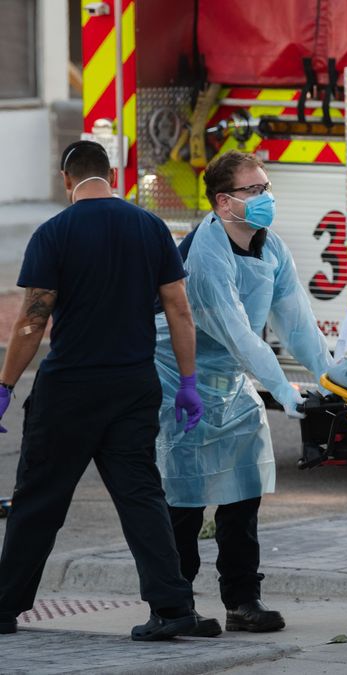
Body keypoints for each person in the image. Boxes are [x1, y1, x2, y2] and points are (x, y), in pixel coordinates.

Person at [0, 140, 204, 640]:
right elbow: (178, 307)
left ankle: (4, 607)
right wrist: (189, 381)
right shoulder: (150, 227)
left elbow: (32, 321)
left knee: (39, 499)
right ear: (111, 174)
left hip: (69, 387)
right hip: (134, 384)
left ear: (66, 180)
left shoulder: (54, 233)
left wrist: (4, 385)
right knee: (141, 496)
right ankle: (173, 608)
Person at [153, 151, 333, 636]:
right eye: (254, 190)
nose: (265, 197)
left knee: (244, 492)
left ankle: (242, 601)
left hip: (230, 379)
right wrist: (281, 388)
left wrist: (334, 378)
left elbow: (297, 323)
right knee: (185, 500)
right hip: (181, 378)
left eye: (266, 186)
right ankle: (175, 603)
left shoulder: (270, 247)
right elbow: (237, 332)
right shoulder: (205, 254)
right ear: (224, 201)